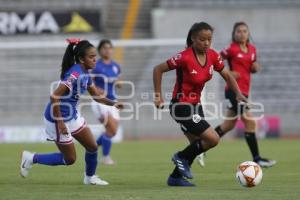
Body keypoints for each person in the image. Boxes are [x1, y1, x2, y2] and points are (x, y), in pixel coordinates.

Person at [153, 22, 248, 187]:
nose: (206, 43)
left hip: (196, 106)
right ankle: (180, 157)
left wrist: (238, 93)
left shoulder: (213, 55)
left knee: (198, 145)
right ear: (193, 39)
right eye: (202, 39)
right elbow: (158, 69)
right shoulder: (184, 57)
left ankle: (175, 178)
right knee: (213, 139)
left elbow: (227, 75)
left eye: (209, 39)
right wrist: (158, 96)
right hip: (180, 105)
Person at [20, 38, 122, 185]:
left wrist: (114, 103)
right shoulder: (75, 74)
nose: (95, 60)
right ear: (81, 59)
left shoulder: (86, 73)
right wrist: (61, 123)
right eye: (91, 57)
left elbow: (97, 96)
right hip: (57, 118)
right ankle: (31, 158)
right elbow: (54, 96)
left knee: (92, 147)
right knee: (70, 159)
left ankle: (90, 177)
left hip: (72, 115)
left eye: (95, 57)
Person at [196, 22, 276, 168]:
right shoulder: (231, 49)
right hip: (233, 91)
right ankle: (257, 158)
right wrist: (229, 73)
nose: (242, 33)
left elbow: (251, 66)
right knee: (251, 122)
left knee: (228, 125)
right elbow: (214, 61)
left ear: (248, 33)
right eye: (238, 31)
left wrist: (255, 68)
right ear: (234, 33)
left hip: (244, 91)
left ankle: (199, 147)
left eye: (245, 31)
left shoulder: (252, 49)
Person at [91, 39, 122, 165]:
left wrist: (119, 83)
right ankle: (105, 157)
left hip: (112, 101)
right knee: (112, 129)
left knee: (111, 132)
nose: (107, 50)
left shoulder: (116, 66)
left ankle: (91, 148)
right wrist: (95, 89)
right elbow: (89, 82)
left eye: (109, 48)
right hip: (100, 102)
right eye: (104, 48)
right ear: (100, 50)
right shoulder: (96, 66)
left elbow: (118, 81)